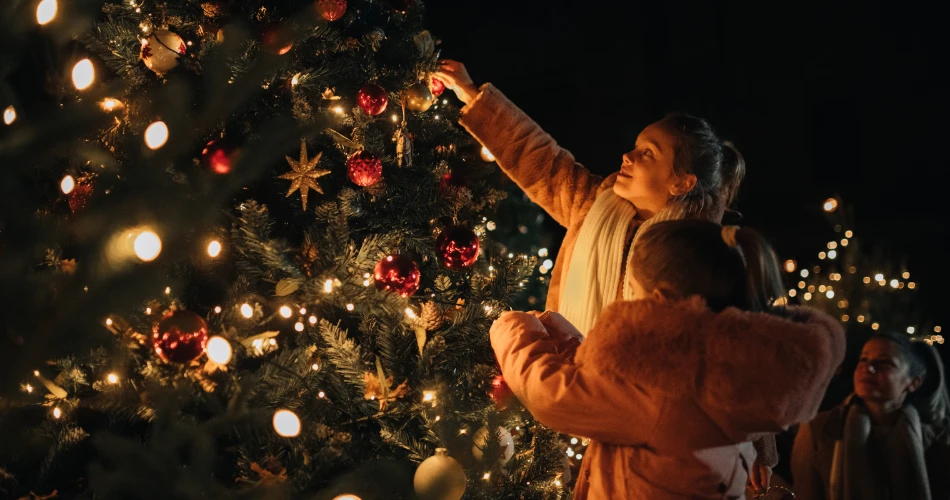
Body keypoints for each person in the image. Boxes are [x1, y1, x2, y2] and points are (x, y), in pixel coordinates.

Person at [435, 60, 780, 489]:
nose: (628, 156)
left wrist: (760, 451)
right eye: (635, 146)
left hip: (645, 438)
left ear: (681, 182)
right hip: (566, 417)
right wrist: (472, 95)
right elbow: (539, 158)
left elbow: (741, 351)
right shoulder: (592, 205)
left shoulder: (706, 255)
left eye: (648, 153)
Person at [489, 220, 846, 499]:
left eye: (634, 291)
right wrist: (566, 339)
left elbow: (550, 392)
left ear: (659, 299)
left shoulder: (662, 391)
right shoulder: (730, 367)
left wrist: (513, 326)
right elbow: (616, 388)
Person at [791, 332, 950, 499]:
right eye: (864, 359)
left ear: (913, 382)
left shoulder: (938, 437)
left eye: (884, 363)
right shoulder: (820, 429)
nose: (868, 368)